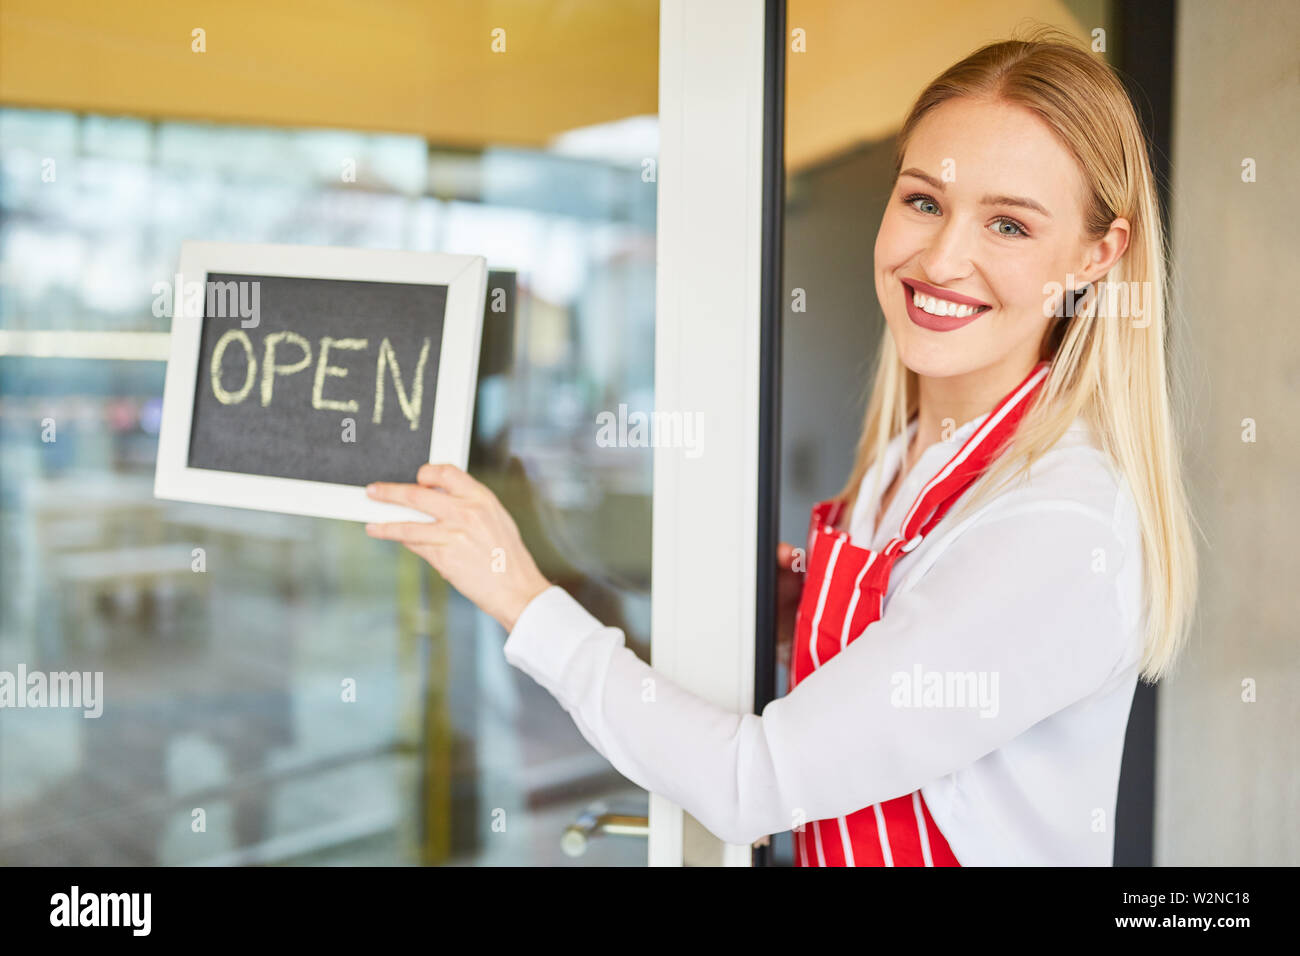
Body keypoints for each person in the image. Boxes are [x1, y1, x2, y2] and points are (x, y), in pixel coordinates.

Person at [363, 29, 1199, 866]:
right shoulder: (913, 452)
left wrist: (518, 593)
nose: (943, 259)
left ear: (1098, 254)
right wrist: (805, 624)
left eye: (1009, 225)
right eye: (924, 201)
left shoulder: (1057, 523)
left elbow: (750, 789)